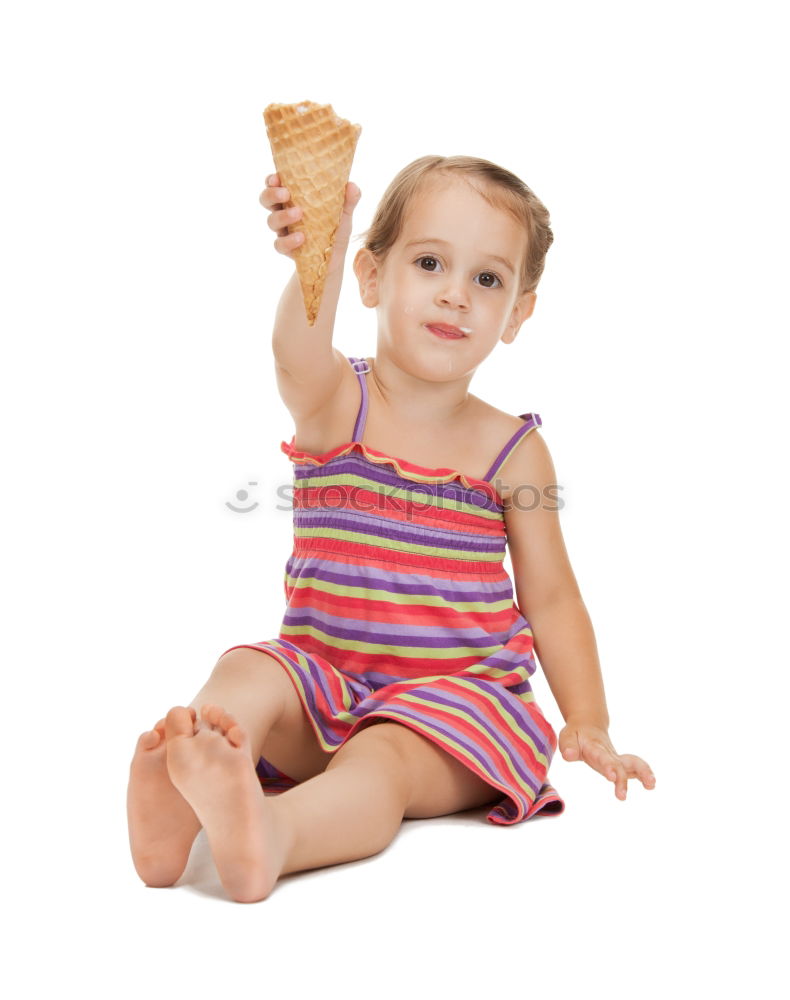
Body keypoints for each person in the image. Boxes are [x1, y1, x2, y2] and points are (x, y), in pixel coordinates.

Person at [127, 154, 656, 904]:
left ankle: (273, 836)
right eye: (431, 262)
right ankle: (183, 795)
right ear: (374, 278)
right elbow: (295, 351)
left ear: (519, 313)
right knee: (248, 670)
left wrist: (590, 721)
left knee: (383, 764)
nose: (456, 295)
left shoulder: (514, 452)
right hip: (327, 682)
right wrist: (324, 251)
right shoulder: (339, 403)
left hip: (458, 707)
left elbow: (554, 598)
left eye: (487, 279)